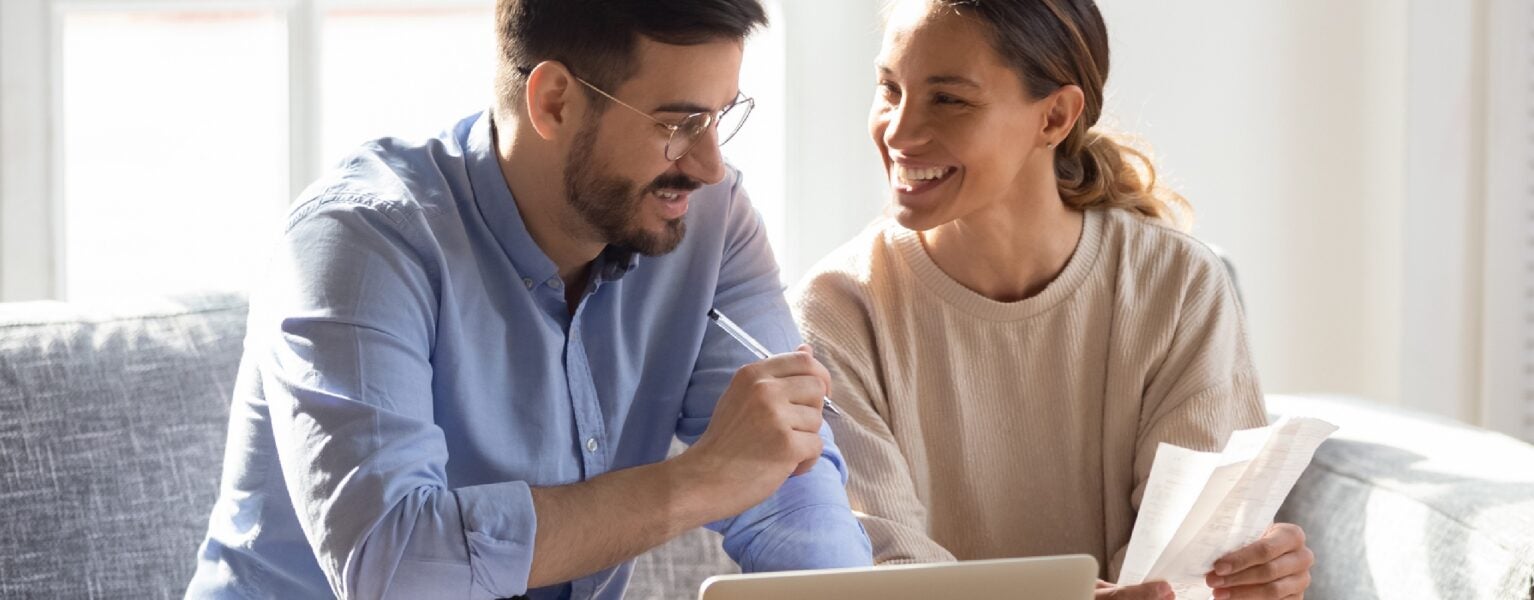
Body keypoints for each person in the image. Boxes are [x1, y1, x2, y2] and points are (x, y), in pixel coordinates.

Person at [186, 1, 871, 597]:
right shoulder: (360, 243)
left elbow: (789, 479)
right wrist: (700, 481)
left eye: (721, 117)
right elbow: (393, 567)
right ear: (554, 102)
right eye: (679, 123)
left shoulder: (708, 223)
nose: (709, 164)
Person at [789, 1, 1313, 599]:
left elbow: (1183, 568)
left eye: (948, 98)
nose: (899, 132)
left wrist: (1250, 577)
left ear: (1055, 116)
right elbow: (886, 575)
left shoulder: (1177, 284)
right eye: (889, 89)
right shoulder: (836, 310)